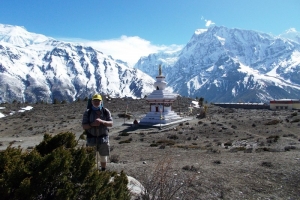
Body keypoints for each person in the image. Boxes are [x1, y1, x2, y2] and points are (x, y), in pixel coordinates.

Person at [82, 94, 113, 171]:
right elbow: (84, 126)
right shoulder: (87, 112)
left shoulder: (106, 111)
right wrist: (92, 124)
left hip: (103, 138)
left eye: (98, 101)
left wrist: (102, 122)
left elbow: (111, 123)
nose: (96, 102)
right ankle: (91, 172)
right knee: (90, 156)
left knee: (103, 155)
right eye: (94, 101)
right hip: (91, 138)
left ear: (101, 102)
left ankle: (103, 170)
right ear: (92, 102)